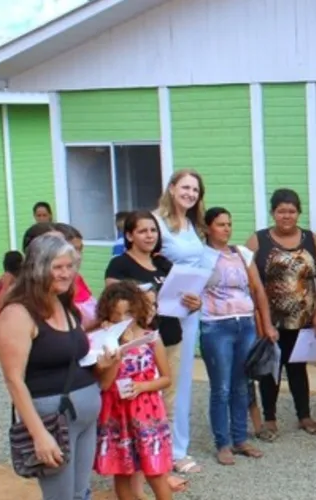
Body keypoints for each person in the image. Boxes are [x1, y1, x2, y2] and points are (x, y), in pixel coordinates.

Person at [0, 233, 118, 499]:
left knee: (80, 493)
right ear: (39, 268)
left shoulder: (64, 305)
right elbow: (14, 380)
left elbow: (74, 358)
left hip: (84, 418)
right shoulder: (18, 313)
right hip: (52, 422)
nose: (66, 273)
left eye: (70, 266)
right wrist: (38, 434)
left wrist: (105, 363)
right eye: (58, 267)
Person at [246, 188, 316, 440]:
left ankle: (304, 415)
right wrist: (262, 320)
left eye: (291, 211)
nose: (286, 216)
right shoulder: (258, 241)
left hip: (303, 320)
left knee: (298, 368)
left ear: (298, 212)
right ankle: (269, 419)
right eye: (281, 211)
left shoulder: (311, 240)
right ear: (273, 212)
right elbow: (248, 282)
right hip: (270, 320)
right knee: (272, 367)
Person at [200, 207, 275, 464]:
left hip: (245, 323)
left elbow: (257, 288)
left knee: (242, 384)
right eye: (221, 224)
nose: (227, 229)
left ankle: (240, 438)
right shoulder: (201, 256)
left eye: (229, 224)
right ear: (208, 227)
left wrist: (266, 323)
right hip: (216, 325)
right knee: (221, 387)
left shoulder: (242, 254)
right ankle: (223, 443)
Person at [93, 281, 176, 499]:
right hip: (117, 414)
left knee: (155, 471)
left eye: (128, 313)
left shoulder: (151, 338)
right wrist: (117, 349)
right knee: (121, 472)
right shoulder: (104, 343)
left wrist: (142, 386)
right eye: (116, 315)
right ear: (107, 315)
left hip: (146, 413)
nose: (123, 320)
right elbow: (104, 384)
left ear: (137, 309)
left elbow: (166, 378)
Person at [152, 169, 207, 478]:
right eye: (185, 187)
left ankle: (177, 448)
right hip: (163, 311)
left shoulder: (191, 226)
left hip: (190, 310)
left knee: (182, 381)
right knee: (163, 378)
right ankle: (158, 447)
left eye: (195, 190)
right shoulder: (156, 224)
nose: (190, 193)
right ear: (171, 188)